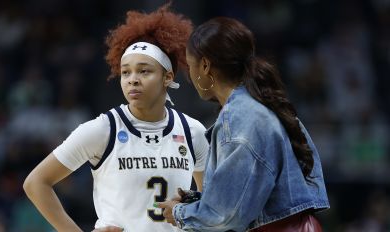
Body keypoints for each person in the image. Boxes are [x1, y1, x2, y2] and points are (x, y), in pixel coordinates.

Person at [23, 4, 208, 232]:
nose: (132, 79)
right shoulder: (102, 129)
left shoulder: (193, 131)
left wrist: (191, 205)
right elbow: (35, 183)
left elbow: (211, 202)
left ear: (167, 77)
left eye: (144, 71)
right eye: (126, 72)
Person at [157, 17, 330, 231]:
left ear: (205, 66)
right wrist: (196, 200)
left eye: (191, 66)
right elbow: (254, 196)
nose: (190, 77)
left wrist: (179, 213)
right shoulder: (262, 104)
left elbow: (226, 215)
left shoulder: (241, 118)